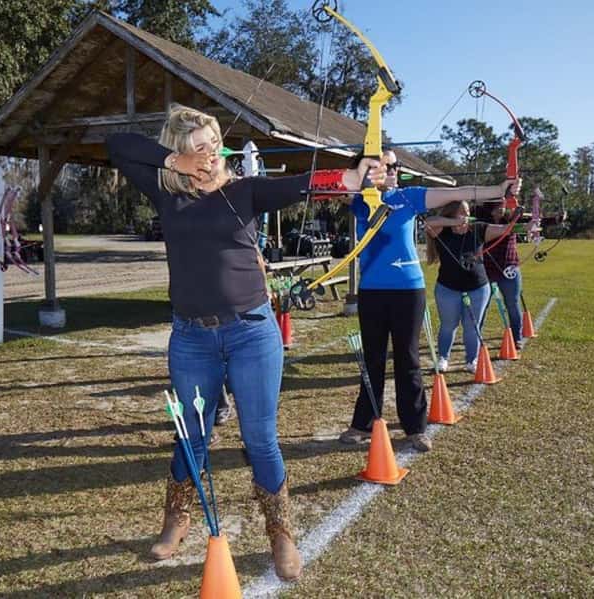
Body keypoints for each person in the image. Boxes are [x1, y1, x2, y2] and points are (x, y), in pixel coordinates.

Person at [105, 104, 386, 581]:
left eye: (214, 146)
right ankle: (176, 519)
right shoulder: (165, 192)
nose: (210, 156)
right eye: (197, 149)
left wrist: (353, 177)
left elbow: (302, 185)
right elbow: (118, 144)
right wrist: (173, 164)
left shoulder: (245, 191)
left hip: (252, 332)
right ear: (177, 152)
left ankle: (281, 534)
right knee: (191, 436)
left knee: (260, 439)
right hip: (192, 337)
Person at [339, 149, 519, 451]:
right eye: (385, 165)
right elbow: (340, 186)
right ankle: (364, 422)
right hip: (372, 290)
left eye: (395, 165)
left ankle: (415, 427)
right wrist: (363, 177)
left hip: (408, 290)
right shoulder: (359, 200)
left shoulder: (408, 197)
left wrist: (499, 190)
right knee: (373, 359)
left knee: (408, 358)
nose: (393, 170)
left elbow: (459, 192)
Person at [424, 193, 521, 374]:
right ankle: (443, 358)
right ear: (452, 214)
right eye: (463, 212)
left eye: (468, 212)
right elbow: (429, 222)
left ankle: (472, 360)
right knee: (448, 325)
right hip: (447, 287)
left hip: (478, 287)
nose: (467, 215)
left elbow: (506, 228)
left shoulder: (478, 229)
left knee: (472, 326)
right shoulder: (441, 231)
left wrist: (527, 224)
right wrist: (454, 223)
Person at [477, 198, 524, 348]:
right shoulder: (482, 222)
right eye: (498, 206)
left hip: (509, 269)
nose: (501, 209)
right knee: (482, 305)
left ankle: (517, 338)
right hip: (487, 269)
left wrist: (556, 219)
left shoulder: (511, 219)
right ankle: (476, 338)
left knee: (512, 303)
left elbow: (536, 220)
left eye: (503, 206)